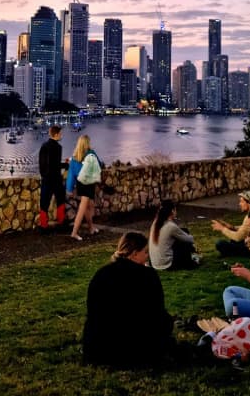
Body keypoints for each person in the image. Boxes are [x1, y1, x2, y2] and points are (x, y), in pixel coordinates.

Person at [81, 231, 174, 367]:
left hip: (99, 348)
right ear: (135, 253)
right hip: (135, 349)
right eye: (145, 252)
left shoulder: (102, 274)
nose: (147, 256)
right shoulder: (147, 276)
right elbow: (157, 312)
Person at [69, 134, 102, 241]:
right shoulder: (91, 154)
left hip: (80, 183)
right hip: (88, 183)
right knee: (83, 207)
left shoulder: (74, 157)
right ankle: (74, 232)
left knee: (89, 205)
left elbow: (71, 173)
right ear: (87, 143)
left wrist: (69, 188)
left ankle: (91, 227)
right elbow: (99, 165)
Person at [211, 190, 250, 258]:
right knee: (233, 240)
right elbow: (246, 228)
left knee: (220, 244)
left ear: (249, 203)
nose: (239, 204)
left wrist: (222, 228)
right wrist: (232, 227)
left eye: (241, 201)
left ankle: (230, 253)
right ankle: (230, 251)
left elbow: (237, 237)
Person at [149, 200, 198, 270]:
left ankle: (192, 256)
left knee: (181, 233)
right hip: (166, 264)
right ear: (172, 210)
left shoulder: (155, 223)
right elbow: (190, 240)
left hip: (154, 263)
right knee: (184, 242)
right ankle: (191, 262)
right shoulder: (171, 226)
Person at [37, 125, 68, 230]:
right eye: (60, 134)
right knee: (60, 199)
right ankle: (61, 221)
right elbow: (56, 165)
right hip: (56, 178)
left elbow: (41, 164)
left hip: (46, 179)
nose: (61, 135)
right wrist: (66, 165)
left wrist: (44, 176)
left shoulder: (44, 145)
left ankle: (43, 225)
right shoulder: (58, 147)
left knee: (44, 202)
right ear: (56, 134)